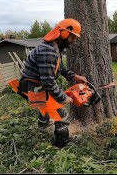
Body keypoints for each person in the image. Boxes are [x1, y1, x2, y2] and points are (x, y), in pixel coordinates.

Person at [18, 18, 87, 148]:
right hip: (33, 87)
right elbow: (48, 82)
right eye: (72, 37)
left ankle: (41, 131)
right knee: (61, 114)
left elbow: (59, 68)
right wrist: (63, 97)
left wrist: (75, 76)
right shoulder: (48, 51)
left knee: (45, 111)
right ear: (64, 33)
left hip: (34, 85)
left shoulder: (54, 48)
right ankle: (61, 145)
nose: (73, 41)